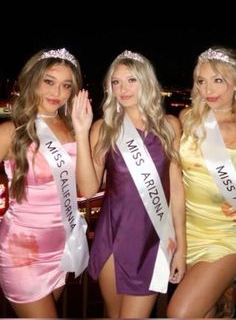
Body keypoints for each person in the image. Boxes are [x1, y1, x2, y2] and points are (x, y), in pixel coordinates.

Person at [72, 50, 186, 318]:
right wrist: (80, 131)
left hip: (152, 238)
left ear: (146, 82)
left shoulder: (170, 126)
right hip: (112, 235)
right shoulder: (105, 128)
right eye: (116, 81)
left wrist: (181, 247)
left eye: (131, 80)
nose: (122, 88)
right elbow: (88, 190)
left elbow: (177, 190)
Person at [0, 48, 89, 318]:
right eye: (49, 81)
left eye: (66, 86)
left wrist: (83, 132)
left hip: (61, 249)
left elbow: (85, 189)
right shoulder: (11, 129)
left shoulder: (73, 127)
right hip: (22, 252)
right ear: (33, 80)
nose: (56, 93)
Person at [167, 46, 236, 318]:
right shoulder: (188, 118)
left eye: (218, 79)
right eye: (201, 81)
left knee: (180, 313)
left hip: (225, 238)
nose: (209, 89)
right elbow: (175, 180)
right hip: (187, 233)